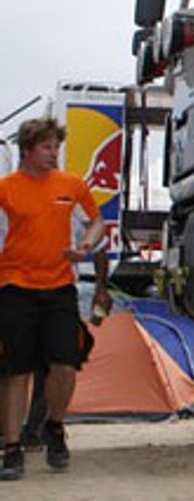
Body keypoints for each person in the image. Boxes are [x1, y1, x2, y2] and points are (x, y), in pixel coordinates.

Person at [0, 117, 107, 480]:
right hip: (15, 286)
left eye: (56, 147)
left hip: (60, 287)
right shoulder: (6, 189)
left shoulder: (72, 186)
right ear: (27, 150)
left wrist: (86, 245)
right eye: (46, 147)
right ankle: (12, 449)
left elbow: (97, 223)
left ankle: (54, 425)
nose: (53, 154)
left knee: (65, 364)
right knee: (18, 370)